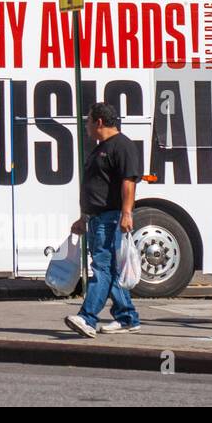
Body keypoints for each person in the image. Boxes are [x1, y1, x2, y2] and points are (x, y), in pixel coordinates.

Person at [64, 103, 142, 338]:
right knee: (109, 268)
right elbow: (96, 186)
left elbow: (128, 182)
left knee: (103, 268)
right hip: (97, 218)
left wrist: (126, 213)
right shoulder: (101, 148)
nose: (86, 127)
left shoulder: (122, 146)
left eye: (88, 121)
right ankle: (127, 316)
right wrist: (83, 217)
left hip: (111, 217)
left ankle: (87, 318)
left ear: (99, 122)